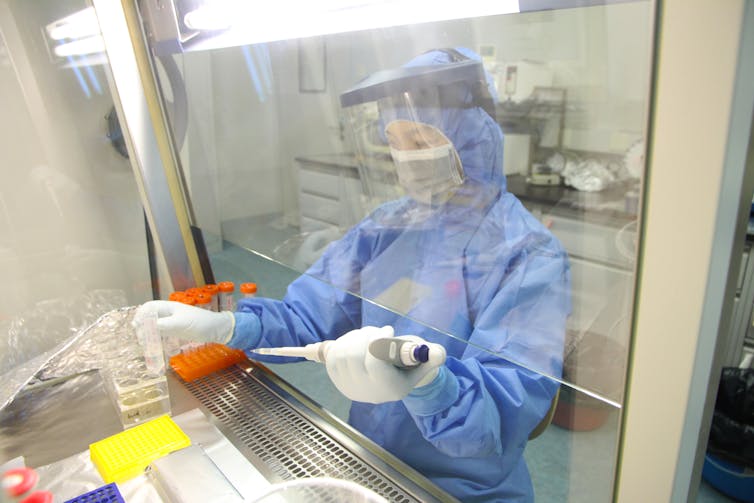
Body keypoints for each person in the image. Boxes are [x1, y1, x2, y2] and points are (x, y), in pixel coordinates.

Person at [141, 48, 571, 502]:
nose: (407, 158)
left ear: (473, 139)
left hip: (464, 489)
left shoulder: (527, 254)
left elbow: (501, 416)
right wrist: (228, 325)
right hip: (370, 462)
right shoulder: (389, 225)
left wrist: (429, 384)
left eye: (422, 142)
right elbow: (309, 316)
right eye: (397, 142)